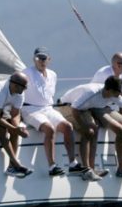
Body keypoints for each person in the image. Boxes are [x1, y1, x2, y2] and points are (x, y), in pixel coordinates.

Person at [59, 76, 122, 182]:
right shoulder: (91, 93)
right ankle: (87, 170)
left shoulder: (113, 94)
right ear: (109, 90)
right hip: (68, 106)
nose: (119, 96)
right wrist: (83, 126)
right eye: (117, 93)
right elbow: (75, 108)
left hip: (97, 107)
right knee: (90, 131)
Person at [21, 47, 79, 176]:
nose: (41, 61)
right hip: (30, 109)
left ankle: (73, 163)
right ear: (34, 59)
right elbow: (15, 90)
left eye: (43, 58)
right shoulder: (25, 73)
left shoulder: (53, 74)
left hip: (48, 108)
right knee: (49, 128)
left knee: (68, 126)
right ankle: (52, 166)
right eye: (38, 58)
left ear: (49, 60)